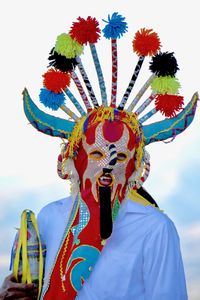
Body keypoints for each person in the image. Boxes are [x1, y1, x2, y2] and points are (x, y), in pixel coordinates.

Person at [0, 12, 198, 300]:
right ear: (70, 161)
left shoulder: (155, 229)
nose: (107, 166)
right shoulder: (49, 218)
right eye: (96, 153)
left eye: (120, 158)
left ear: (137, 168)